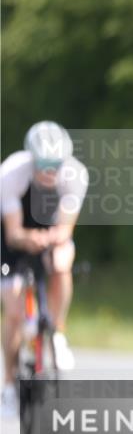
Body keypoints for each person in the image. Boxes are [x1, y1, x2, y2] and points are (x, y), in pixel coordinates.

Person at [1, 121, 88, 417]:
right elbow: (13, 233)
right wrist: (29, 239)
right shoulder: (11, 174)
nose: (50, 172)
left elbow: (65, 227)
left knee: (62, 261)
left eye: (56, 165)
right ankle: (10, 384)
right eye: (44, 166)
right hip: (14, 238)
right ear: (32, 160)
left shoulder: (75, 175)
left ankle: (57, 331)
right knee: (13, 311)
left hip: (50, 232)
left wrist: (52, 238)